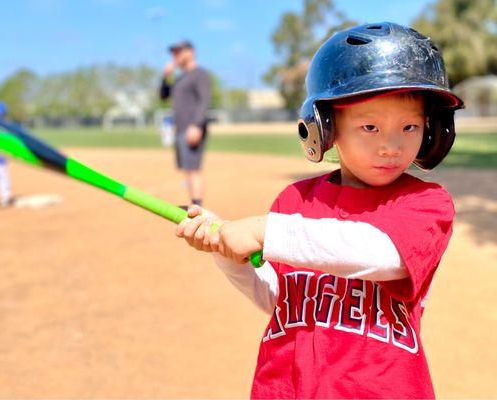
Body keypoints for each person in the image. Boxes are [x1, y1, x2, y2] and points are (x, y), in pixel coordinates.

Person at [175, 22, 463, 399]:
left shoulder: (426, 205)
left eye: (410, 127)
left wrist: (267, 232)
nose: (391, 146)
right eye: (370, 126)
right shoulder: (294, 202)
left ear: (432, 130)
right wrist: (231, 257)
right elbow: (280, 299)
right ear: (325, 129)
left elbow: (382, 254)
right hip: (288, 388)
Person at [160, 40, 211, 207]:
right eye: (173, 53)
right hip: (181, 128)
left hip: (192, 128)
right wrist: (165, 77)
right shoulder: (179, 78)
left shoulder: (199, 74)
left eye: (178, 52)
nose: (175, 56)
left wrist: (196, 125)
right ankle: (194, 204)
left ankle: (197, 208)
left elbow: (204, 101)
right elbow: (163, 96)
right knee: (187, 170)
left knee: (193, 169)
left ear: (190, 52)